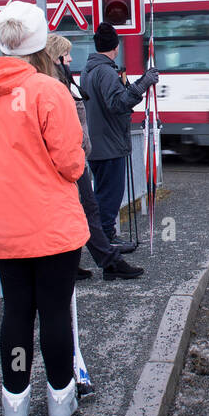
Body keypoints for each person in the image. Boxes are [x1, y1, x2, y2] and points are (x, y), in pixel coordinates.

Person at [0, 0, 87, 416]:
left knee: (16, 312)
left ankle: (14, 407)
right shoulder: (48, 91)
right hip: (51, 227)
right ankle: (60, 400)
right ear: (40, 45)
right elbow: (71, 164)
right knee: (54, 312)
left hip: (5, 226)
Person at [43, 34, 142, 281]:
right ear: (55, 59)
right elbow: (114, 104)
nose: (70, 58)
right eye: (66, 55)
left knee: (77, 211)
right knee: (87, 209)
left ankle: (75, 262)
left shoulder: (66, 79)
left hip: (77, 153)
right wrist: (140, 86)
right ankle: (108, 261)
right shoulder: (53, 86)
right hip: (69, 158)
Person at [81, 23, 159, 251]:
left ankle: (104, 237)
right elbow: (118, 103)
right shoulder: (105, 71)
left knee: (103, 193)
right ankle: (106, 240)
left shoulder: (90, 69)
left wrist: (135, 84)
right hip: (109, 143)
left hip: (99, 141)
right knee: (110, 196)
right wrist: (143, 84)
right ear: (115, 46)